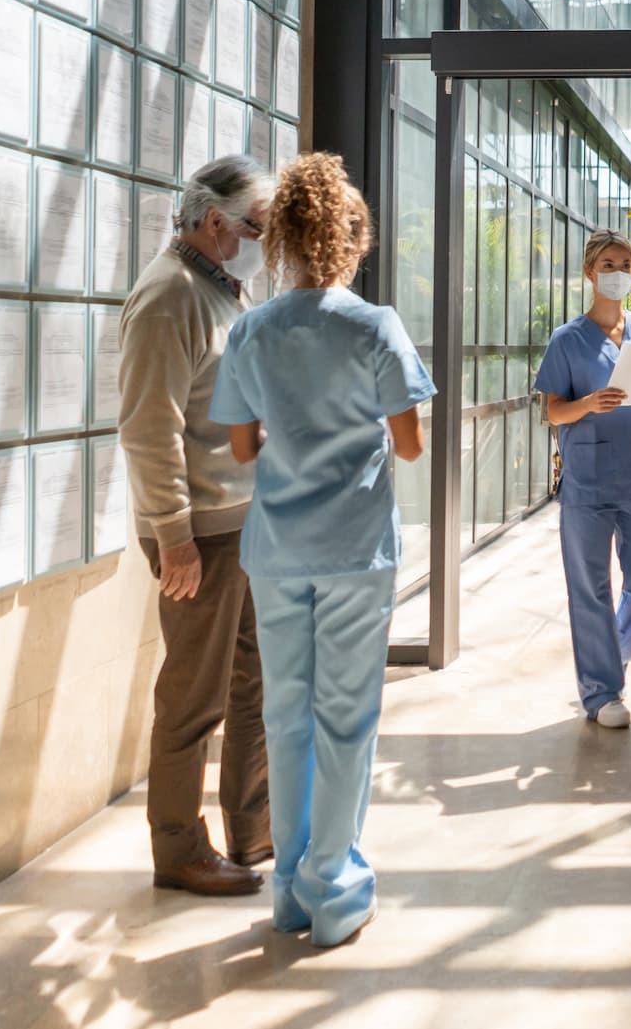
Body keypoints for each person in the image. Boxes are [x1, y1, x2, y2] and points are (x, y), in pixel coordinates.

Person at [209, 153, 435, 946]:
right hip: (353, 548)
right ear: (350, 234)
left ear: (281, 239)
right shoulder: (375, 327)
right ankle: (333, 889)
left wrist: (292, 427)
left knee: (286, 714)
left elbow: (241, 448)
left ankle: (290, 894)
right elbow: (408, 447)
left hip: (276, 548)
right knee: (345, 718)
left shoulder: (252, 328)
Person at [119, 154, 277, 897]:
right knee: (193, 695)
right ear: (215, 223)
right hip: (201, 537)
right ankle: (178, 847)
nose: (263, 242)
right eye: (257, 227)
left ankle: (252, 827)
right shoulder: (167, 296)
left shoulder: (220, 290)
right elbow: (149, 428)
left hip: (238, 523)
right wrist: (173, 535)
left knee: (252, 680)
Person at [536, 229, 631, 729]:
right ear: (590, 273)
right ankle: (602, 693)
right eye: (609, 265)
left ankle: (610, 655)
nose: (620, 272)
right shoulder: (567, 339)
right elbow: (553, 413)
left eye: (627, 264)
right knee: (590, 588)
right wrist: (590, 403)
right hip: (588, 481)